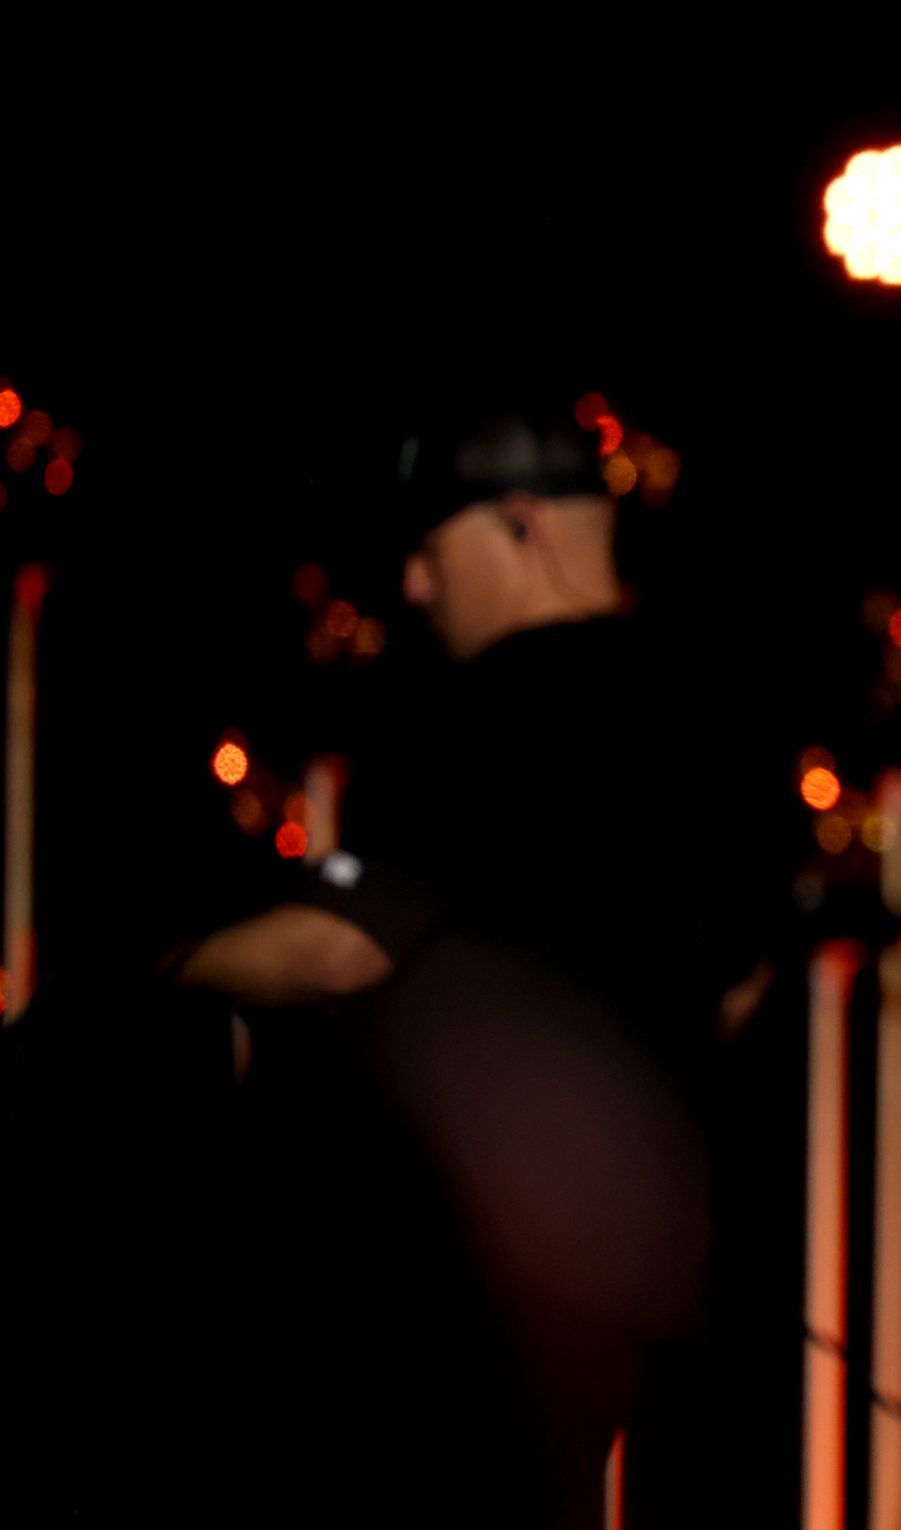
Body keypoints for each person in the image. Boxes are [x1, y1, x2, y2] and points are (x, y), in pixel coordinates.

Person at [175, 402, 766, 1527]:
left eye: (428, 549)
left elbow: (337, 943)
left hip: (440, 1288)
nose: (413, 586)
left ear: (518, 524)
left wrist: (154, 972)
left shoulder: (485, 706)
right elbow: (738, 985)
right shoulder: (707, 715)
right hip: (626, 1271)